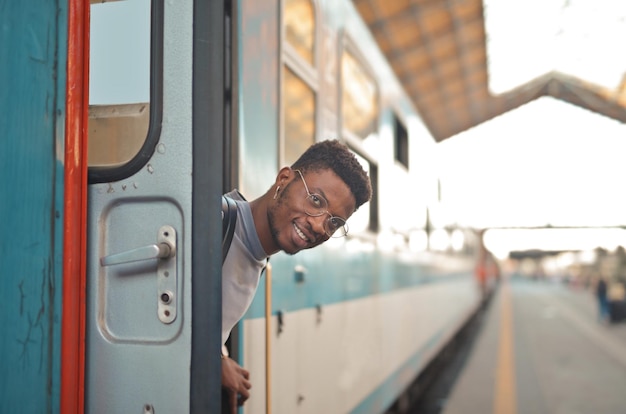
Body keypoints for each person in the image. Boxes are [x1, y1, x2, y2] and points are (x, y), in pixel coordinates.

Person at [220, 139, 372, 412]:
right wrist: (213, 364)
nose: (318, 225)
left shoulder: (254, 254)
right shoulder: (214, 224)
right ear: (283, 179)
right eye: (316, 200)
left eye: (334, 222)